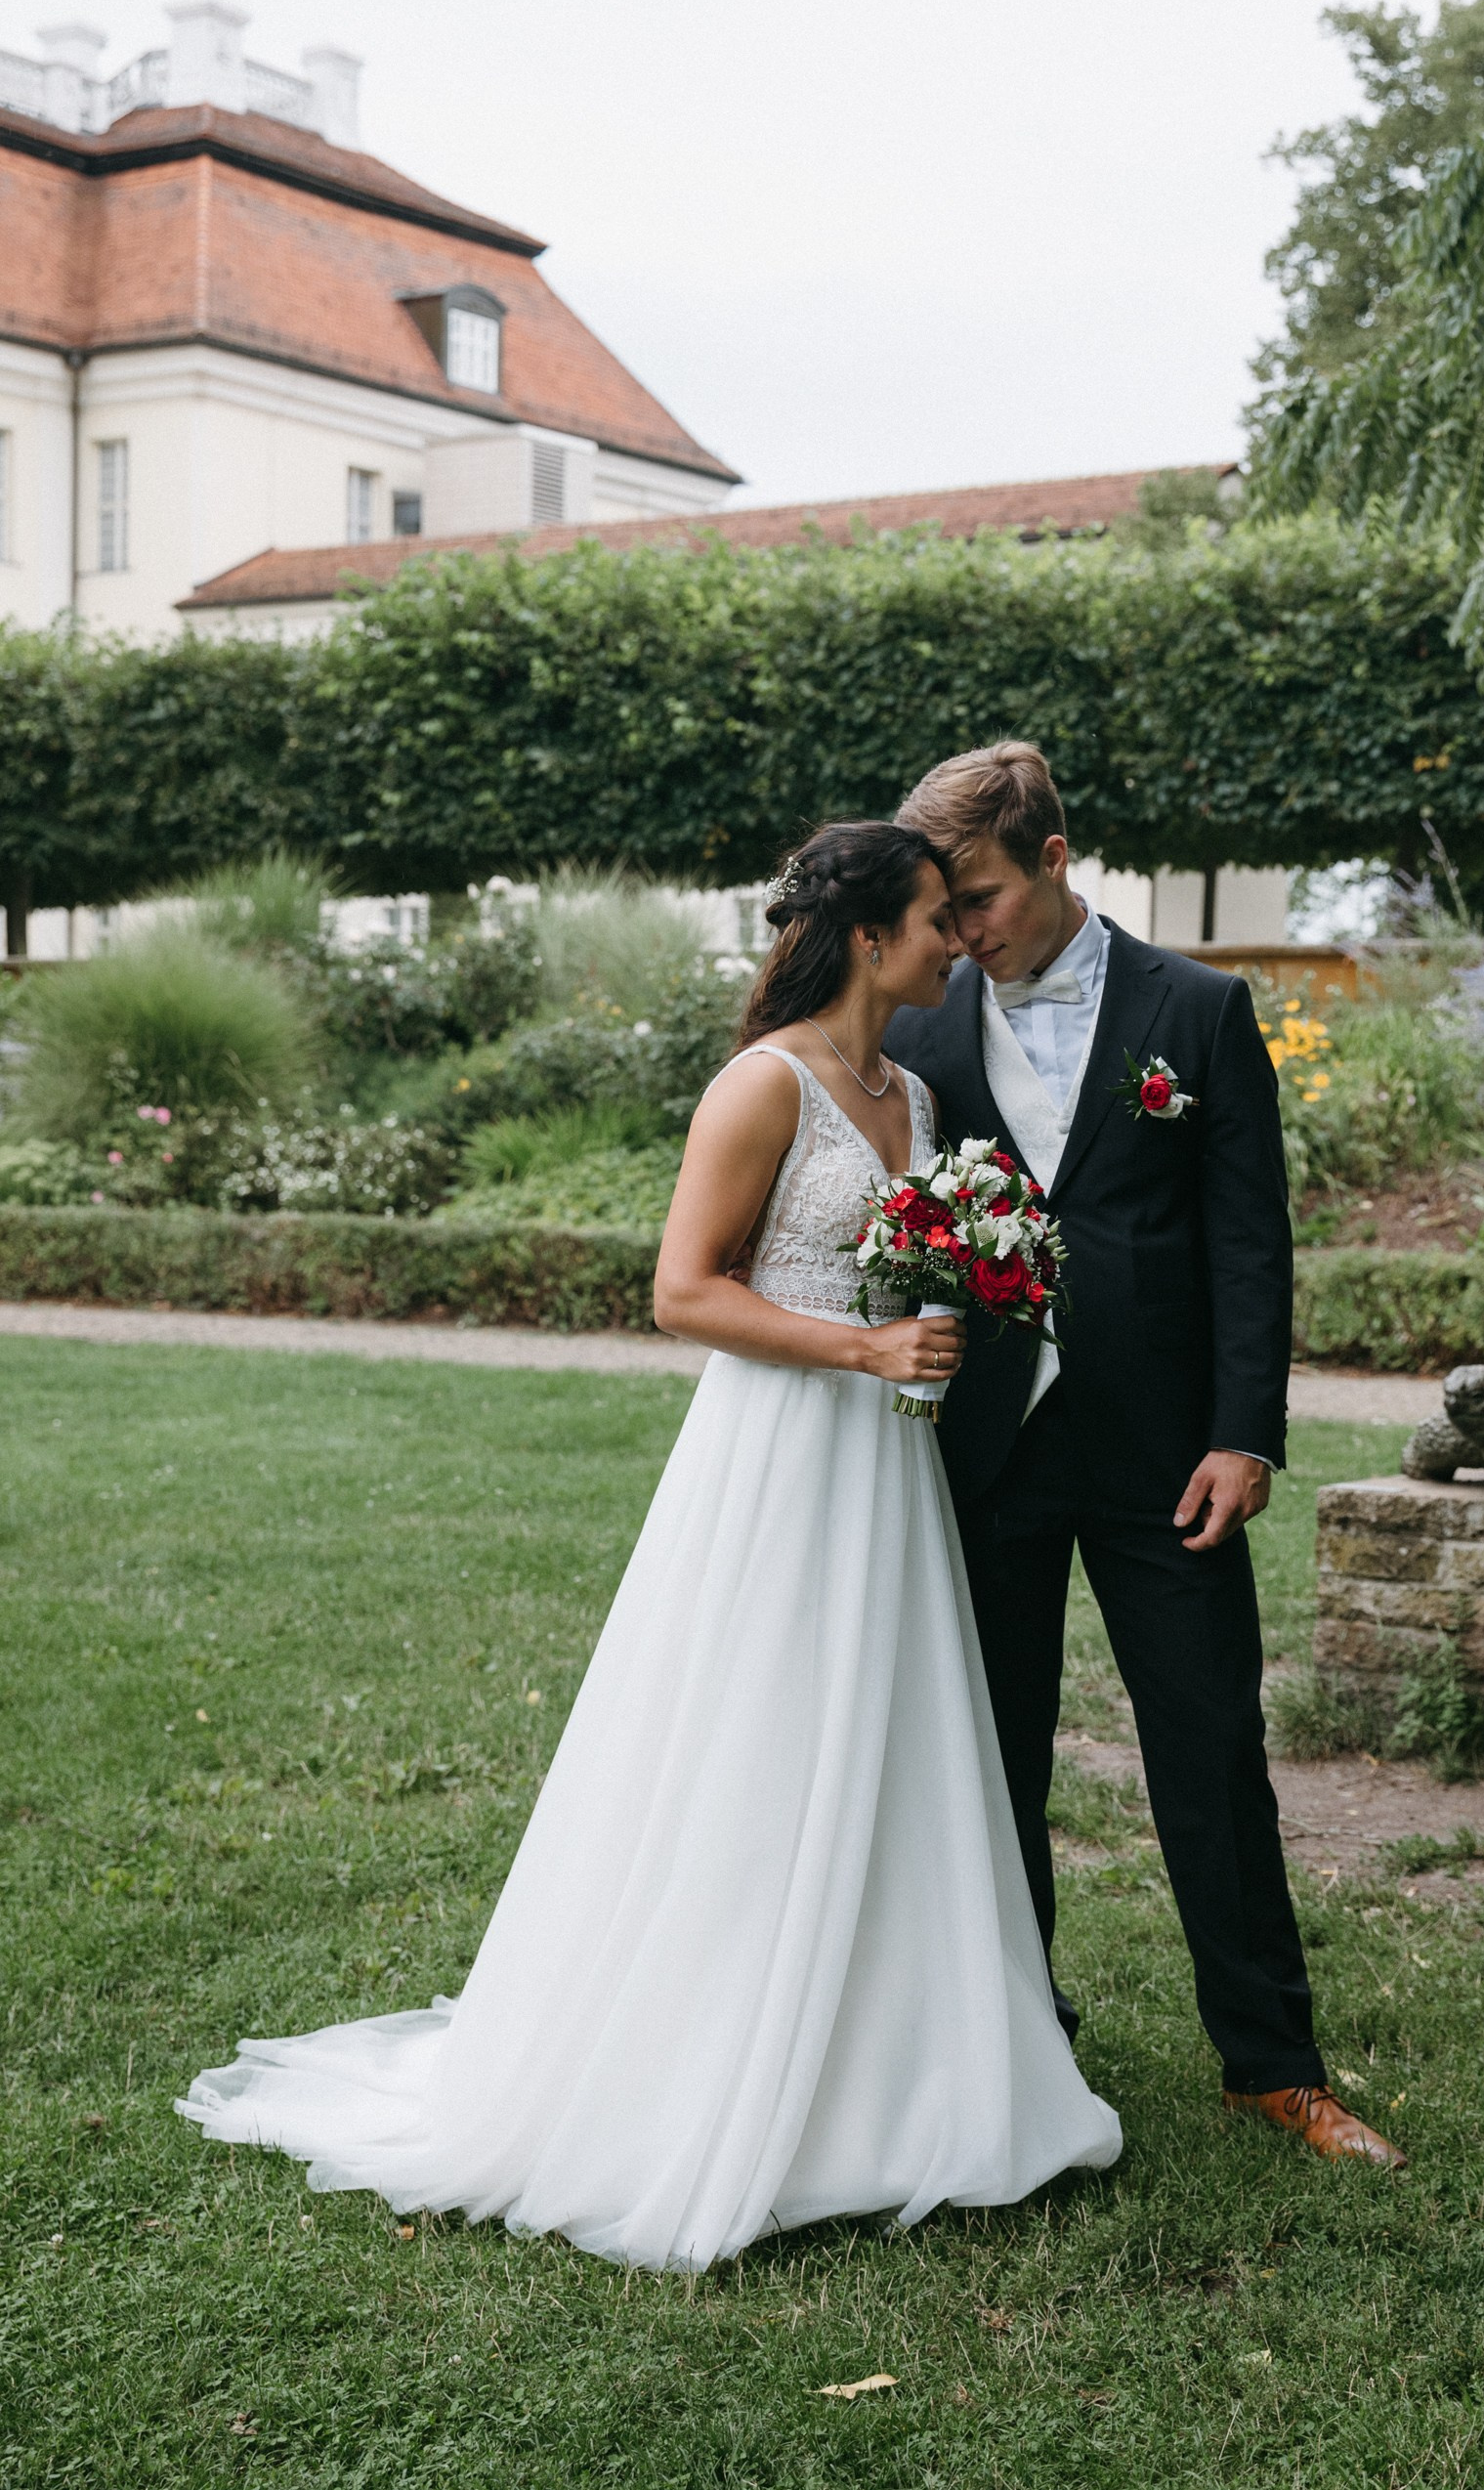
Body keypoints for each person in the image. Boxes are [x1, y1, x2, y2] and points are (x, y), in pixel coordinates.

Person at [179, 823, 1121, 2270]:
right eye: (937, 918)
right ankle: (709, 2060)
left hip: (887, 1468)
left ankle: (892, 2064)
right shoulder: (764, 1086)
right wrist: (862, 1345)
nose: (956, 942)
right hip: (780, 1455)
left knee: (886, 1743)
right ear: (871, 937)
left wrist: (948, 1315)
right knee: (753, 1739)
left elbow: (913, 1271)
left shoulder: (920, 1101)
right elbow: (681, 1294)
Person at [883, 741, 1405, 2168]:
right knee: (992, 1763)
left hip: (1170, 1459)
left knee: (1211, 1752)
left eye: (981, 896)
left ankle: (1271, 2064)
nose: (965, 931)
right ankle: (1018, 2038)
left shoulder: (1203, 1010)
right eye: (947, 907)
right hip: (980, 1455)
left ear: (1056, 860)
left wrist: (1248, 1433)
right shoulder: (923, 1030)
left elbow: (1250, 1239)